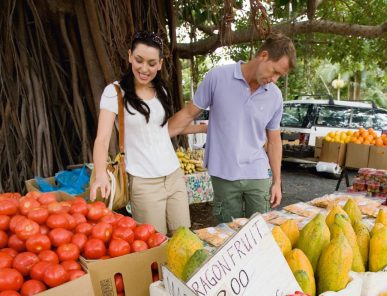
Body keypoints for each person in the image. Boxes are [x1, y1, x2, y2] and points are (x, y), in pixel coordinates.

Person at [168, 32, 296, 223]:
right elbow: (188, 114)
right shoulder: (217, 77)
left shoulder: (275, 96)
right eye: (275, 71)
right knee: (227, 237)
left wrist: (277, 182)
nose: (275, 79)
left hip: (258, 175)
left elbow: (275, 140)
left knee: (260, 234)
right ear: (263, 56)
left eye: (280, 75)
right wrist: (157, 135)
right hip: (223, 175)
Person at [90, 31, 206, 235]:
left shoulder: (162, 90)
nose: (144, 69)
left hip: (173, 175)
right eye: (139, 60)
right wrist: (100, 175)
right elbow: (102, 139)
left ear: (160, 64)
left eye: (152, 63)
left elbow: (163, 130)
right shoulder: (115, 92)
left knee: (184, 236)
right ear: (129, 56)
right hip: (143, 181)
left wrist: (202, 128)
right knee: (155, 242)